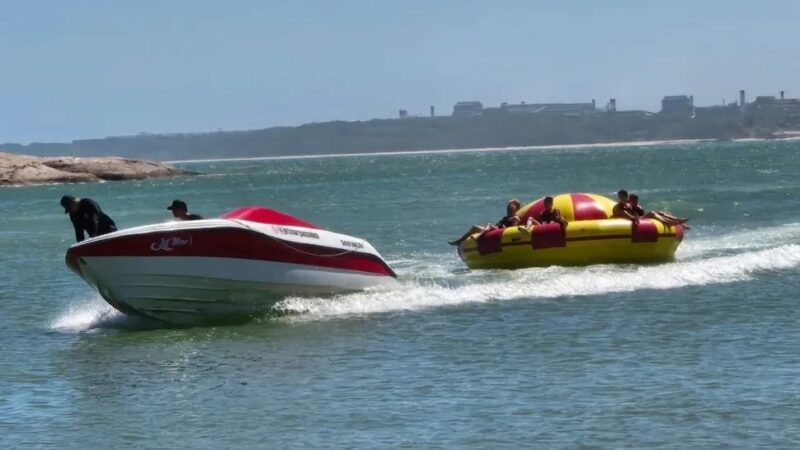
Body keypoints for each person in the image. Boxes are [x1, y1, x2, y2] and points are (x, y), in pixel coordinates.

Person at [448, 199, 522, 245]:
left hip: (499, 231)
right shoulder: (506, 218)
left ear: (515, 209)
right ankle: (460, 241)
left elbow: (513, 229)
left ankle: (479, 237)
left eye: (510, 208)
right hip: (494, 229)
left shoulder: (515, 218)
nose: (508, 209)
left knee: (489, 225)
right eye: (508, 208)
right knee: (475, 227)